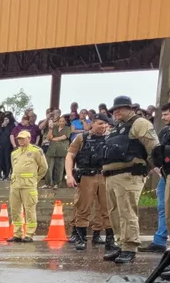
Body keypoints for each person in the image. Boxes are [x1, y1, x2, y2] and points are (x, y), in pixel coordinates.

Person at [102, 96, 161, 264]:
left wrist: (155, 168)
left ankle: (129, 247)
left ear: (131, 109)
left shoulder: (140, 123)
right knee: (115, 212)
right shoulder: (117, 128)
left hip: (130, 175)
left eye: (121, 108)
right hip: (112, 176)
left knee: (127, 211)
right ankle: (121, 244)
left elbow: (153, 148)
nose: (116, 112)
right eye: (114, 110)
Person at [65, 116, 115, 252]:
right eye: (100, 123)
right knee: (83, 208)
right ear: (92, 124)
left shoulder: (111, 138)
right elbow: (70, 155)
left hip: (106, 176)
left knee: (108, 209)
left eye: (105, 124)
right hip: (87, 176)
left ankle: (110, 241)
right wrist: (69, 175)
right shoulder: (82, 138)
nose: (103, 126)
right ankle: (81, 239)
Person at [140, 103, 170, 254]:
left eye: (166, 114)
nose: (163, 117)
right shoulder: (165, 130)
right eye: (163, 114)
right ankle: (159, 241)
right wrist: (156, 165)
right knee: (162, 207)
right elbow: (156, 149)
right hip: (165, 175)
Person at [9, 130, 47, 242]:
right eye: (19, 139)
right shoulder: (14, 153)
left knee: (29, 210)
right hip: (15, 185)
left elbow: (44, 167)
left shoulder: (36, 151)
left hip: (29, 185)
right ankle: (17, 233)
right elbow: (14, 168)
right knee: (15, 210)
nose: (20, 140)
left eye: (23, 138)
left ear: (29, 138)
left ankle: (29, 234)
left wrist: (35, 179)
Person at [44, 114, 72, 188]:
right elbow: (48, 137)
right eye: (60, 121)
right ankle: (48, 183)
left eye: (63, 121)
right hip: (52, 150)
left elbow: (63, 137)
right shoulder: (54, 128)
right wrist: (50, 129)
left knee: (59, 168)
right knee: (49, 167)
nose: (61, 122)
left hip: (62, 150)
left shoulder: (67, 128)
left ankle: (57, 184)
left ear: (65, 122)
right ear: (57, 122)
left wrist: (52, 139)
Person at [0, 111, 15, 180]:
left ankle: (8, 174)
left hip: (9, 146)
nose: (5, 121)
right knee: (1, 160)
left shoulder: (12, 126)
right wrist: (2, 127)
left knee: (8, 160)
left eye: (7, 119)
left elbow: (10, 134)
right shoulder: (0, 126)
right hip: (0, 146)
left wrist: (7, 127)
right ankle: (3, 174)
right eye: (4, 119)